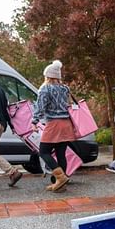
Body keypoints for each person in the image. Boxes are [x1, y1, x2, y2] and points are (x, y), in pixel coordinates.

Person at [32, 60, 74, 192]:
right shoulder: (65, 88)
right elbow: (69, 104)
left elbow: (40, 107)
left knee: (43, 151)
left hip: (54, 124)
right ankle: (61, 184)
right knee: (61, 153)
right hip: (66, 123)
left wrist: (34, 121)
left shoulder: (45, 89)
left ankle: (60, 178)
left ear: (48, 76)